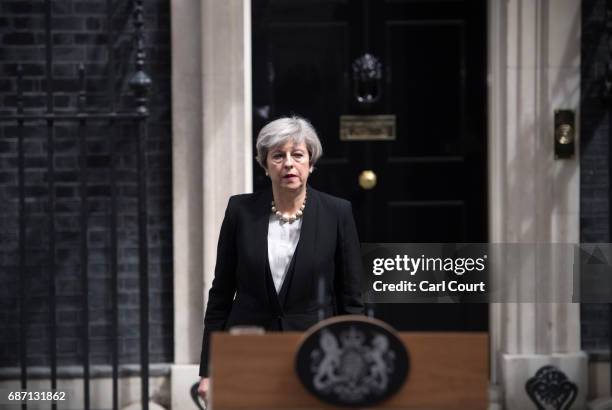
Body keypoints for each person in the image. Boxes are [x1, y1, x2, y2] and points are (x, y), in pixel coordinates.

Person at [197, 116, 364, 400]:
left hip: (315, 353)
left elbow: (351, 297)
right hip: (249, 350)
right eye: (278, 156)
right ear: (265, 165)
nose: (288, 163)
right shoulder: (240, 211)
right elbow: (221, 294)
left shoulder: (337, 213)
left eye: (297, 155)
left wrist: (354, 362)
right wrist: (208, 369)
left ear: (310, 164)